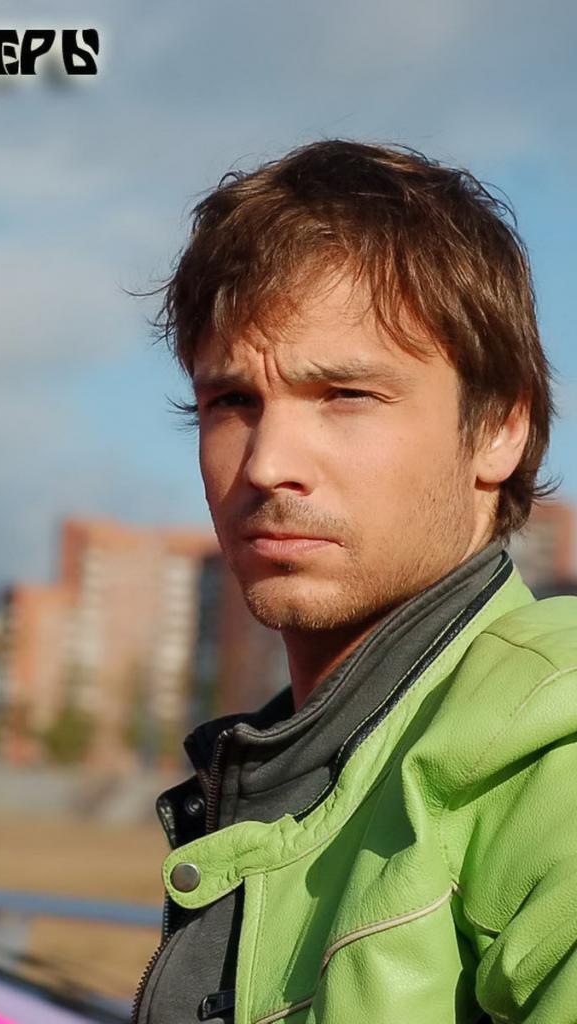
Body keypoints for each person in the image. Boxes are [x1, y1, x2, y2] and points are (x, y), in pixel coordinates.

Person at [132, 140, 577, 1024]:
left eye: (345, 394)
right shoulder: (290, 761)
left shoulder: (546, 760)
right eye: (232, 401)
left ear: (501, 430)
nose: (268, 464)